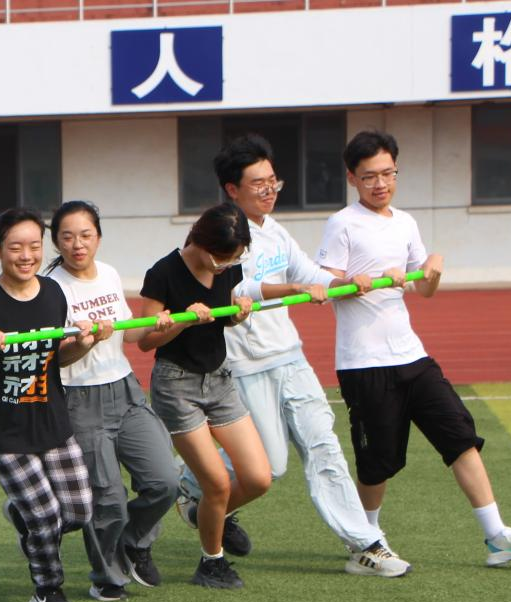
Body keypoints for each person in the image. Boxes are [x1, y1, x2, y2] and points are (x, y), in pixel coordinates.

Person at [175, 135, 410, 577]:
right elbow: (234, 289)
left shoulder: (275, 230)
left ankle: (365, 546)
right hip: (246, 365)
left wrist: (349, 281)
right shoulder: (218, 233)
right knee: (270, 467)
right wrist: (292, 288)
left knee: (325, 446)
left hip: (290, 357)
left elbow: (310, 272)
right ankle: (191, 482)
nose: (269, 190)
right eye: (258, 183)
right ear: (232, 189)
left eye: (273, 181)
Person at [316, 130, 511, 567]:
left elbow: (423, 289)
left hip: (412, 357)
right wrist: (350, 282)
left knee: (460, 437)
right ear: (352, 178)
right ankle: (364, 544)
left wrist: (432, 271)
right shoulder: (342, 223)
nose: (380, 184)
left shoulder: (405, 223)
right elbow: (323, 284)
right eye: (369, 177)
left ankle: (497, 536)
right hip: (364, 364)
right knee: (377, 462)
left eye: (388, 174)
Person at [0, 208, 102, 602]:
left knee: (79, 511)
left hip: (52, 419)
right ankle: (47, 589)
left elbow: (58, 357)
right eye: (15, 247)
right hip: (5, 428)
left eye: (34, 246)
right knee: (45, 516)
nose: (26, 256)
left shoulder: (54, 293)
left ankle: (18, 512)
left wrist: (85, 343)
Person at [45, 200, 179, 598]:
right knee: (108, 499)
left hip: (125, 389)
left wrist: (163, 325)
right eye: (67, 237)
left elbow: (130, 334)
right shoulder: (51, 288)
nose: (77, 244)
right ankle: (107, 578)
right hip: (79, 399)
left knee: (165, 481)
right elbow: (56, 358)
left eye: (85, 235)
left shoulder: (109, 273)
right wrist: (85, 342)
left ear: (98, 237)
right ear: (56, 242)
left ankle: (133, 542)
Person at [138, 203, 271, 589]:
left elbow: (222, 315)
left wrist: (237, 313)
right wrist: (180, 321)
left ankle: (206, 514)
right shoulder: (163, 273)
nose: (225, 265)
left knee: (258, 478)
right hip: (176, 386)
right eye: (221, 257)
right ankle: (211, 563)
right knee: (217, 484)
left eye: (234, 258)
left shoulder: (229, 267)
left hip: (219, 379)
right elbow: (143, 340)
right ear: (200, 240)